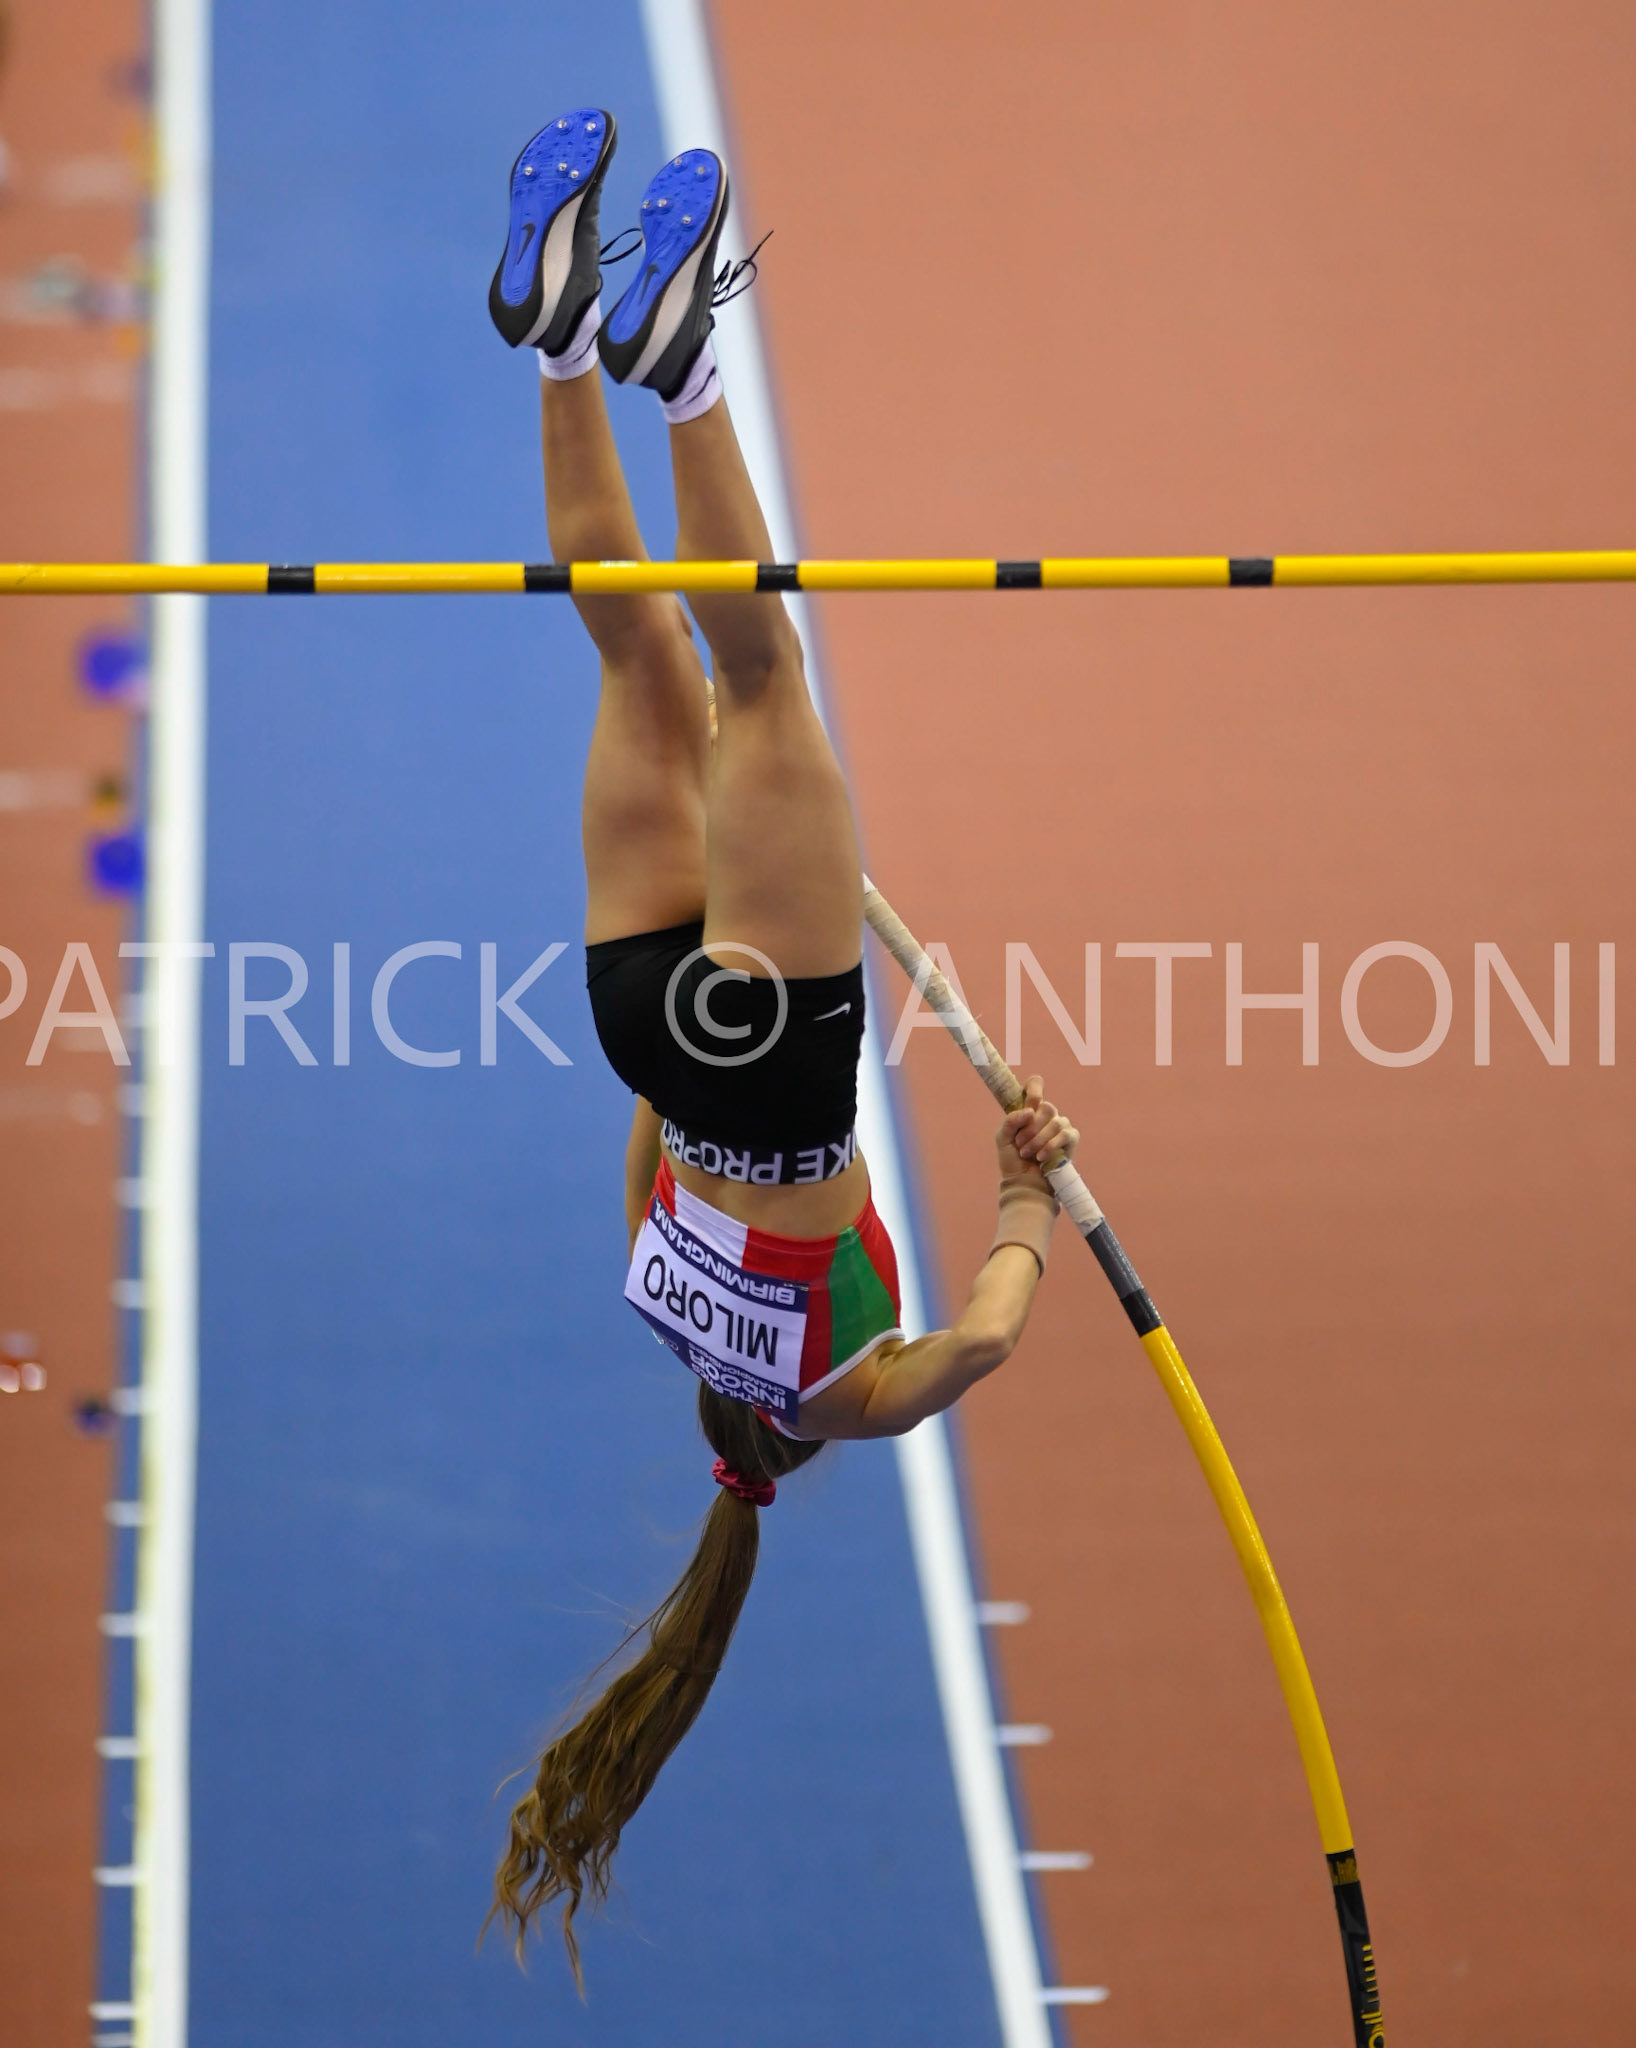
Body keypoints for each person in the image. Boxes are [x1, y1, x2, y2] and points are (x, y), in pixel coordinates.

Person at [484, 108, 1077, 1977]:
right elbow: (649, 1144)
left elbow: (979, 1340)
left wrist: (1025, 1190)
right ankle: (562, 334)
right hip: (645, 1023)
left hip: (765, 1042)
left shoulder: (842, 1394)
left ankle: (686, 364)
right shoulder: (659, 1309)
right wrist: (741, 928)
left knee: (757, 672)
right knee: (639, 661)